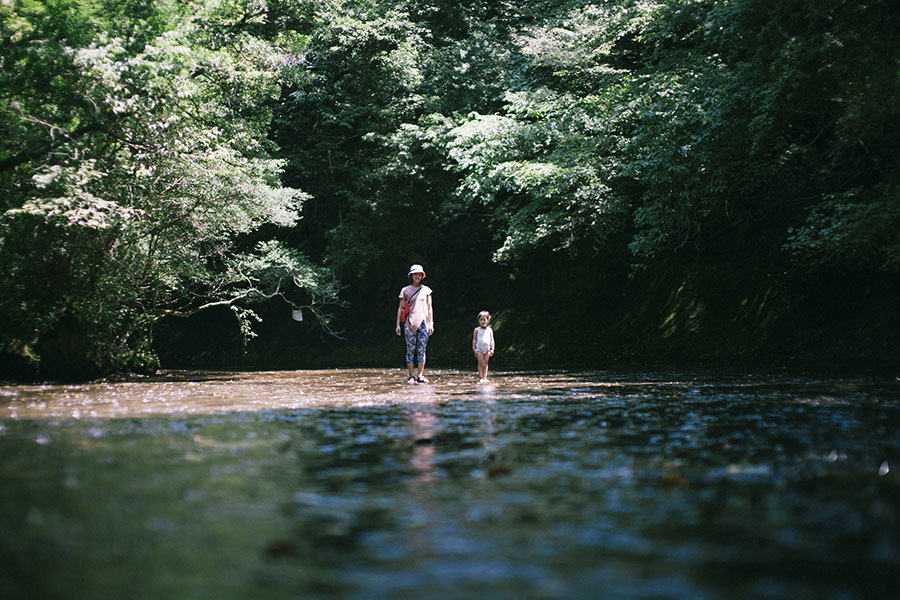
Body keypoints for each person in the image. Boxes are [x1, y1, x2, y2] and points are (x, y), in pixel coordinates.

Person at [396, 264, 434, 384]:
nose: (417, 276)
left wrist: (431, 323)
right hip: (409, 323)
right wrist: (397, 324)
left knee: (422, 349)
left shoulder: (426, 290)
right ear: (411, 276)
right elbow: (400, 308)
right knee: (410, 349)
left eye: (419, 274)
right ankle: (411, 376)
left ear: (422, 276)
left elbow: (429, 308)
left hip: (423, 322)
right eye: (415, 274)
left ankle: (421, 375)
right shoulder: (405, 290)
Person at [472, 310, 495, 383]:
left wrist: (492, 349)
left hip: (487, 349)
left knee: (485, 363)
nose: (483, 321)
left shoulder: (489, 330)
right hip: (479, 349)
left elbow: (492, 340)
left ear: (488, 320)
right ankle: (481, 377)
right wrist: (474, 348)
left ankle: (485, 377)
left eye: (484, 320)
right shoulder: (476, 330)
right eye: (481, 319)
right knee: (480, 363)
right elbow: (474, 340)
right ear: (478, 320)